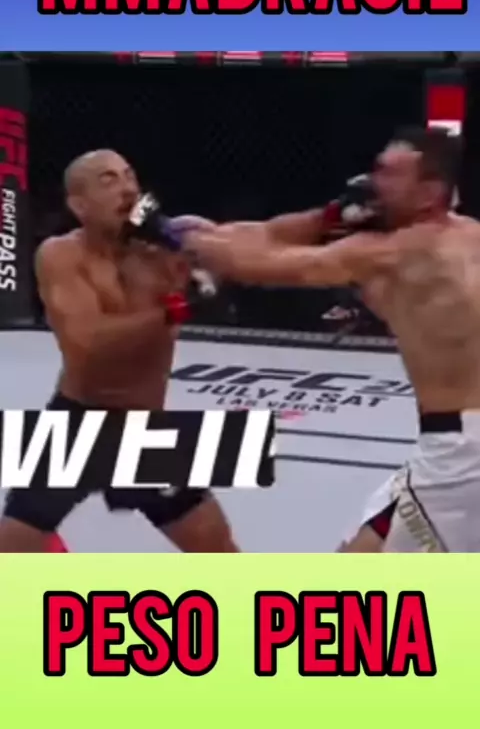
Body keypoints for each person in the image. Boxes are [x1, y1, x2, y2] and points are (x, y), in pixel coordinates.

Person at [183, 127, 480, 552]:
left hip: (460, 455)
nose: (374, 181)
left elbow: (264, 265)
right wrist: (325, 217)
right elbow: (268, 235)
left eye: (390, 174)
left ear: (429, 192)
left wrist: (175, 237)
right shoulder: (466, 233)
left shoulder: (394, 251)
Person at [0, 149, 238, 553]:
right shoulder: (61, 255)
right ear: (79, 205)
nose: (126, 188)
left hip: (144, 430)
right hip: (79, 426)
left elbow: (250, 246)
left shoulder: (165, 249)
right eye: (108, 180)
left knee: (219, 553)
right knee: (10, 554)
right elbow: (86, 343)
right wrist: (175, 310)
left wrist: (324, 225)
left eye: (129, 176)